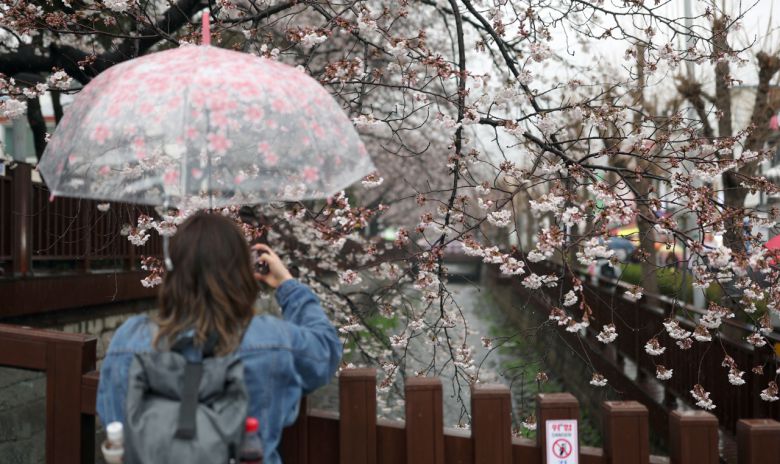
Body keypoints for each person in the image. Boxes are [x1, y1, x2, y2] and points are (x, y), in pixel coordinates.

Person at [96, 212, 342, 463]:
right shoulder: (272, 339)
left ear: (172, 272)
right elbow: (326, 350)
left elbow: (114, 423)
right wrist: (287, 285)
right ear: (241, 273)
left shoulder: (129, 340)